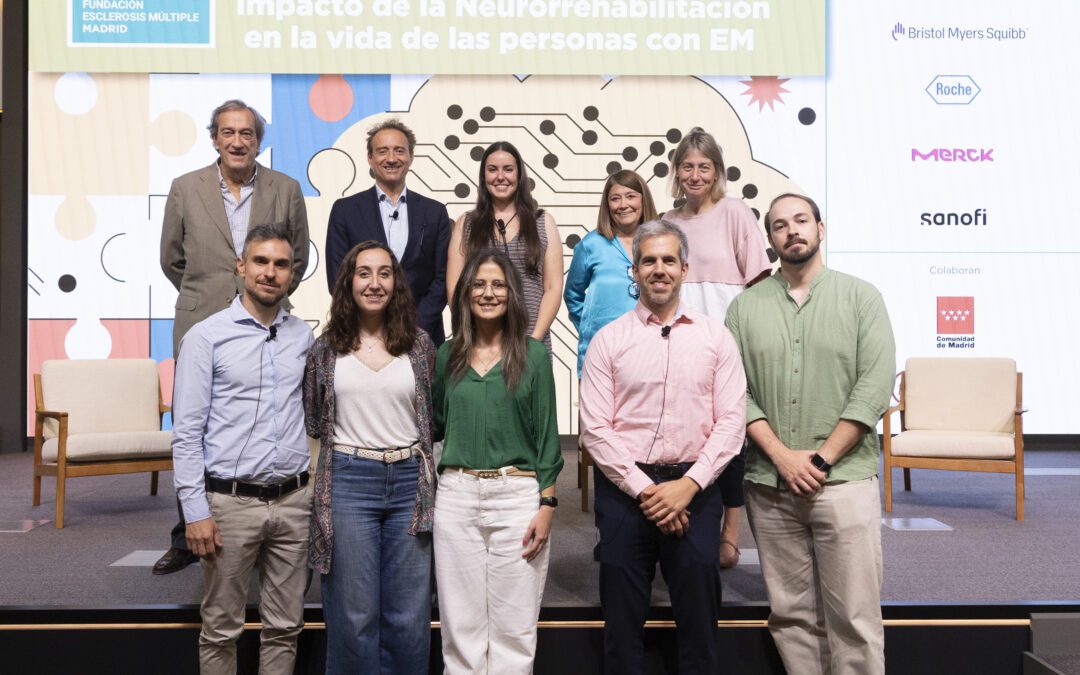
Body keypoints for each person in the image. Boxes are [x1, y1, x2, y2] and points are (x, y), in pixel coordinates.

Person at [725, 194, 895, 675]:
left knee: (855, 619)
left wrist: (820, 460)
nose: (791, 231)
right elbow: (735, 392)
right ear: (771, 239)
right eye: (780, 225)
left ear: (821, 228)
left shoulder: (862, 298)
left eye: (801, 220)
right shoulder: (744, 308)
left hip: (843, 482)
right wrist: (782, 457)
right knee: (792, 616)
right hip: (770, 486)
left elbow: (873, 387)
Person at [580, 219, 747, 675]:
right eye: (649, 260)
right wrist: (648, 492)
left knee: (699, 628)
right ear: (634, 270)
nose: (659, 269)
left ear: (684, 269)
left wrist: (688, 486)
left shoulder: (716, 337)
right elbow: (595, 428)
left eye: (669, 260)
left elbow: (732, 422)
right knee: (621, 629)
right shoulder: (609, 340)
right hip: (626, 490)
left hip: (697, 487)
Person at [156, 99, 310, 576]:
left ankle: (265, 521)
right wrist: (210, 299)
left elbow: (298, 257)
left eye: (247, 133)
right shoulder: (186, 188)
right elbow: (171, 259)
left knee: (265, 414)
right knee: (195, 423)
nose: (238, 141)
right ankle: (189, 530)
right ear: (215, 138)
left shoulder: (286, 189)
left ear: (258, 141)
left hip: (268, 319)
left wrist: (261, 293)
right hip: (202, 317)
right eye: (228, 132)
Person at [172, 224, 314, 675]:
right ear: (241, 266)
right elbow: (186, 433)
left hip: (294, 503)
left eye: (281, 264)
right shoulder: (205, 337)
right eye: (261, 261)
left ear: (292, 274)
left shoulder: (303, 337)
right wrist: (194, 511)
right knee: (220, 629)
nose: (270, 273)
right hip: (230, 505)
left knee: (286, 627)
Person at [304, 240, 437, 674]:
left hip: (409, 484)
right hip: (348, 481)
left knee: (408, 615)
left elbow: (434, 418)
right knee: (354, 613)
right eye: (364, 273)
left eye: (384, 273)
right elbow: (313, 420)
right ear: (349, 282)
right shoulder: (326, 349)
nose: (374, 283)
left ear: (396, 282)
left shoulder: (420, 346)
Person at [432, 249, 564, 674]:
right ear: (465, 293)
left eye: (498, 285)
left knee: (514, 631)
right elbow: (437, 424)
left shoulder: (534, 355)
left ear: (512, 293)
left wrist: (547, 505)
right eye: (479, 284)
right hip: (457, 496)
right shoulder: (447, 355)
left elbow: (547, 439)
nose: (488, 293)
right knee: (460, 629)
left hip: (517, 497)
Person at [662, 127, 772, 569]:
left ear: (718, 171)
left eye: (704, 167)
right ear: (676, 171)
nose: (695, 175)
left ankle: (731, 528)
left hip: (727, 337)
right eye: (687, 166)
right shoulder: (667, 221)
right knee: (690, 429)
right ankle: (686, 516)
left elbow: (759, 281)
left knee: (730, 433)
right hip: (680, 338)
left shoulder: (735, 212)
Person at [324, 119, 452, 344]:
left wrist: (413, 328)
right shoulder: (345, 210)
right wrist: (372, 328)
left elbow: (442, 279)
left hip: (422, 335)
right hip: (362, 337)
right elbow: (338, 278)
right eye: (382, 151)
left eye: (399, 151)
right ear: (370, 158)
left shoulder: (435, 212)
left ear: (411, 157)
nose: (391, 159)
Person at [446, 141, 563, 352]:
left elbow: (553, 287)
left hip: (530, 342)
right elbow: (455, 288)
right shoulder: (466, 223)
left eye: (508, 169)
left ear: (519, 175)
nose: (500, 177)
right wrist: (472, 336)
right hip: (479, 345)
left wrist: (533, 341)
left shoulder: (543, 222)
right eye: (492, 170)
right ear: (483, 177)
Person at [564, 170, 659, 378]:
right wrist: (592, 328)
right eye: (615, 199)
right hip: (601, 353)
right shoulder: (591, 244)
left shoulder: (660, 243)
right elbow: (572, 295)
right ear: (607, 205)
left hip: (651, 349)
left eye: (631, 196)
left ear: (643, 200)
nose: (623, 205)